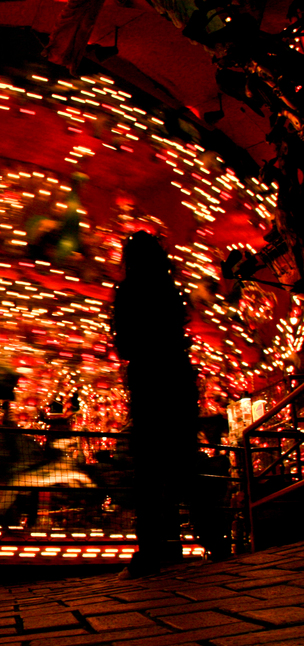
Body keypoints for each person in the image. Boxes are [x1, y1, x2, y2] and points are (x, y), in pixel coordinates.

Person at [111, 231, 199, 578]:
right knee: (184, 462)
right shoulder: (170, 292)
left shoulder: (129, 293)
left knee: (147, 471)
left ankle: (150, 551)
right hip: (177, 379)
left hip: (149, 382)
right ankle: (211, 538)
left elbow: (125, 345)